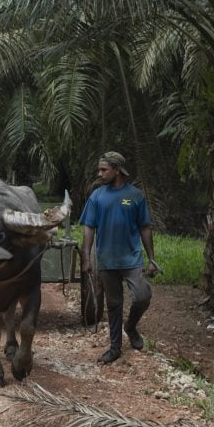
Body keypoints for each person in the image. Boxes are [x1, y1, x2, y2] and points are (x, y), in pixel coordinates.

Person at [79, 151, 159, 364]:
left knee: (142, 296)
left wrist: (152, 258)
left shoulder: (135, 196)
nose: (100, 173)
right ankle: (115, 347)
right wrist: (86, 258)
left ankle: (130, 326)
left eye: (104, 169)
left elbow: (145, 227)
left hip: (131, 258)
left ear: (117, 170)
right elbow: (88, 228)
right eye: (100, 169)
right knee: (114, 304)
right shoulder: (97, 196)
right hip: (107, 259)